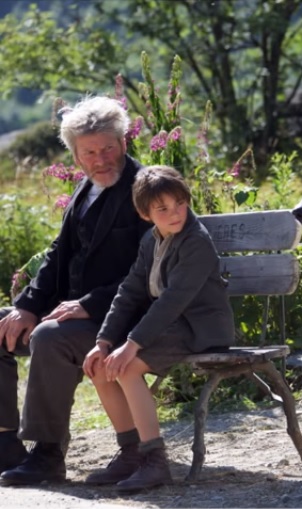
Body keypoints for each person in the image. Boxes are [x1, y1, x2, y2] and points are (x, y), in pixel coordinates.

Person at [0, 96, 150, 485]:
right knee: (2, 326)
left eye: (108, 148)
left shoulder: (146, 189)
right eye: (90, 153)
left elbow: (153, 270)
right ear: (77, 158)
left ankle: (48, 454)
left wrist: (87, 304)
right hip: (75, 312)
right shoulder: (86, 191)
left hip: (125, 318)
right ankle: (5, 445)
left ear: (124, 144)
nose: (101, 160)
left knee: (52, 337)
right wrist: (29, 305)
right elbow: (57, 254)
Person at [82, 165, 235, 491]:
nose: (175, 213)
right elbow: (130, 291)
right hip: (173, 326)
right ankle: (131, 453)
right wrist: (105, 341)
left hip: (201, 328)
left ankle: (155, 462)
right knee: (101, 366)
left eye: (179, 203)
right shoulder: (151, 241)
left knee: (127, 368)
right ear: (145, 214)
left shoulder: (195, 242)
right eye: (162, 208)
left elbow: (173, 301)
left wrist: (133, 344)